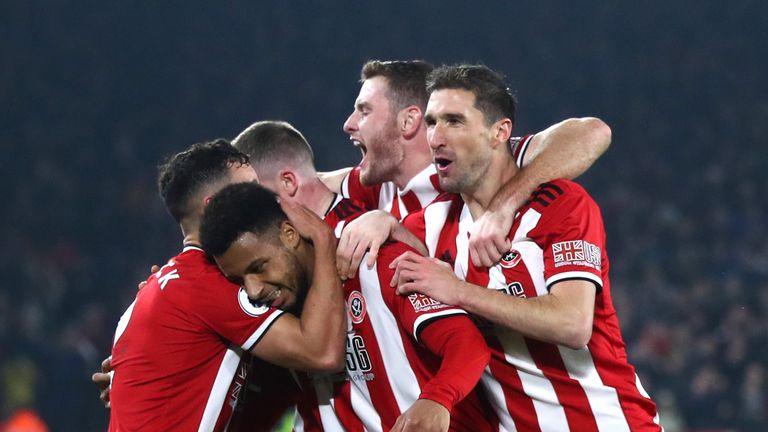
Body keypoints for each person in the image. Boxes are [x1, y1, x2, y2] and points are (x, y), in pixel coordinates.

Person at [391, 65, 661, 431]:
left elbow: (572, 324)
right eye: (431, 122)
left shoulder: (559, 204)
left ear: (500, 132)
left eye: (454, 121)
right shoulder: (429, 227)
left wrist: (458, 292)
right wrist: (375, 222)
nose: (436, 138)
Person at [229, 121, 495, 431]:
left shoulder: (372, 249)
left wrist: (437, 399)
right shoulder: (273, 278)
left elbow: (465, 345)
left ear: (287, 184)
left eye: (253, 198)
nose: (245, 214)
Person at [107, 140, 346, 431]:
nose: (266, 200)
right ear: (214, 206)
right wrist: (324, 241)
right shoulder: (206, 283)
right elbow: (321, 353)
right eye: (252, 189)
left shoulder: (169, 283)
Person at [324, 60, 612, 278]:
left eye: (364, 111)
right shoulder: (381, 184)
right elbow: (306, 183)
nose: (348, 123)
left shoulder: (486, 160)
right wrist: (384, 222)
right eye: (433, 122)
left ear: (408, 121)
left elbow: (592, 133)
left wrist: (502, 206)